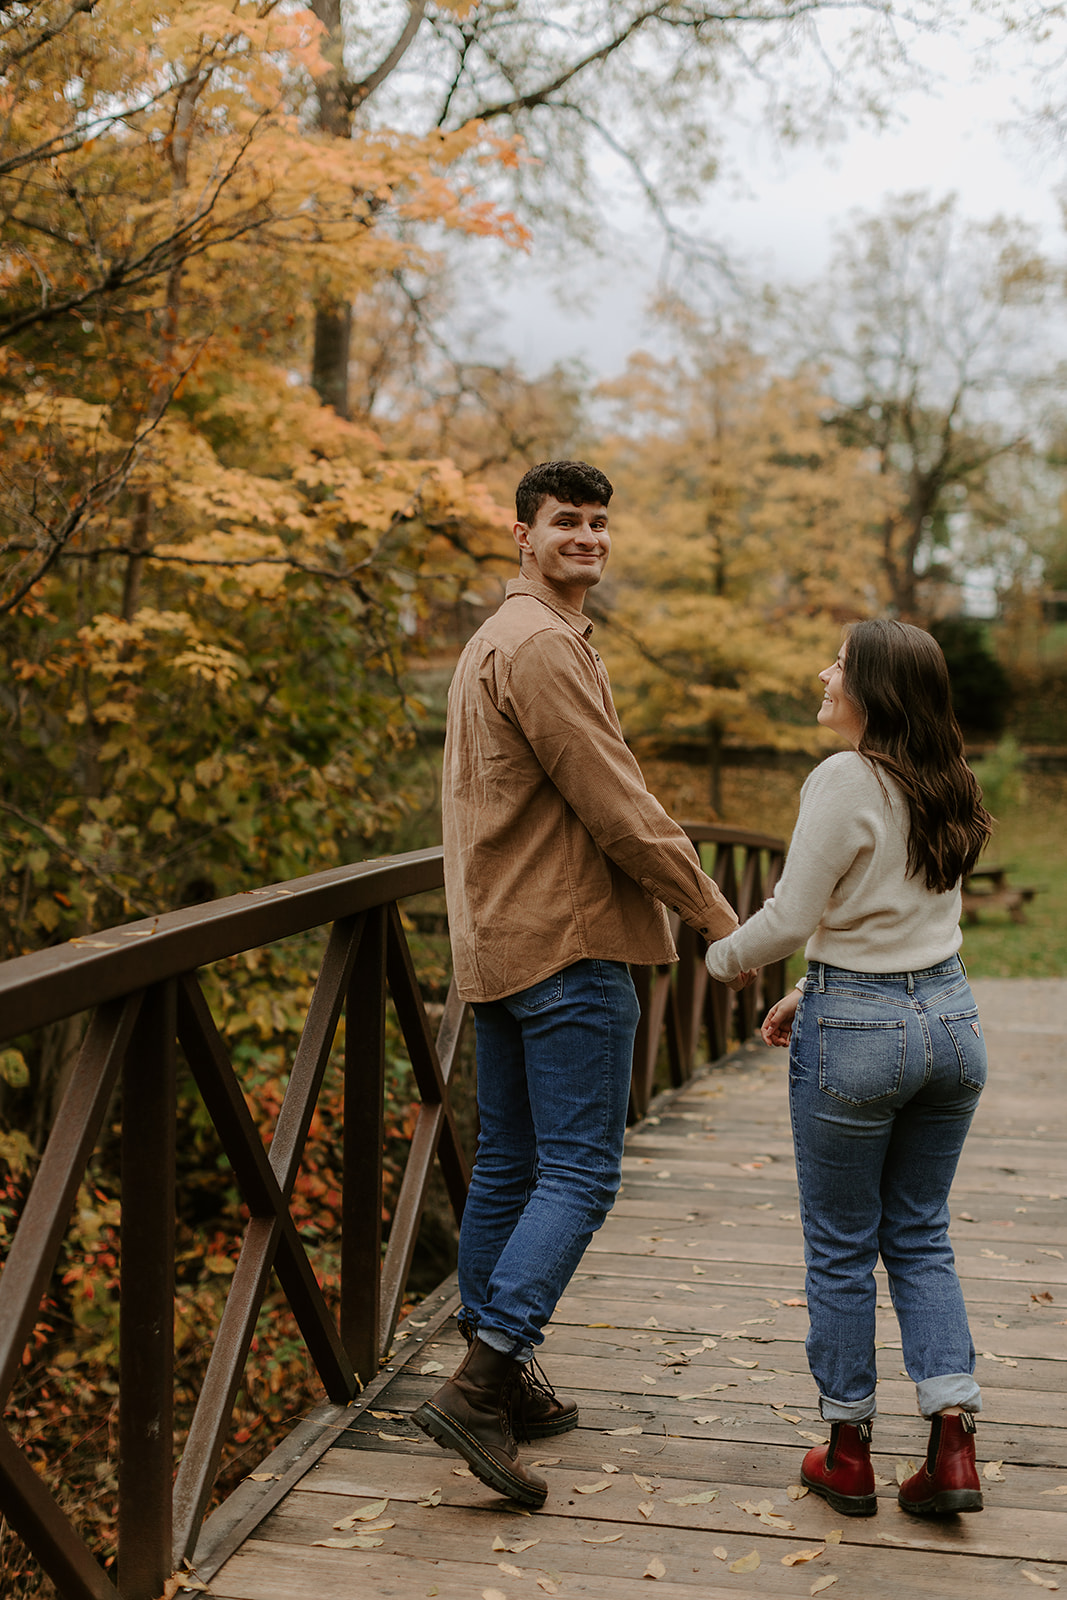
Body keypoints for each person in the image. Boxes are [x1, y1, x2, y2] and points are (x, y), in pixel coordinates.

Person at [414, 459, 743, 1507]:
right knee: (581, 1172)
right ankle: (482, 1378)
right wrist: (715, 915)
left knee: (508, 1166)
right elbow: (619, 808)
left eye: (599, 522)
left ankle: (499, 1384)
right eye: (566, 521)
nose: (587, 537)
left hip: (503, 943)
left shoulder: (488, 643)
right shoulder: (545, 647)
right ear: (522, 533)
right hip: (569, 940)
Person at [704, 619, 993, 1520]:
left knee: (839, 1248)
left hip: (860, 1034)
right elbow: (889, 911)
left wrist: (721, 958)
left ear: (873, 688)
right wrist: (810, 988)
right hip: (948, 1021)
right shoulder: (946, 778)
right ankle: (951, 1446)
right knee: (917, 1233)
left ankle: (846, 1450)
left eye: (838, 663)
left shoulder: (842, 776)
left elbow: (792, 913)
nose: (821, 672)